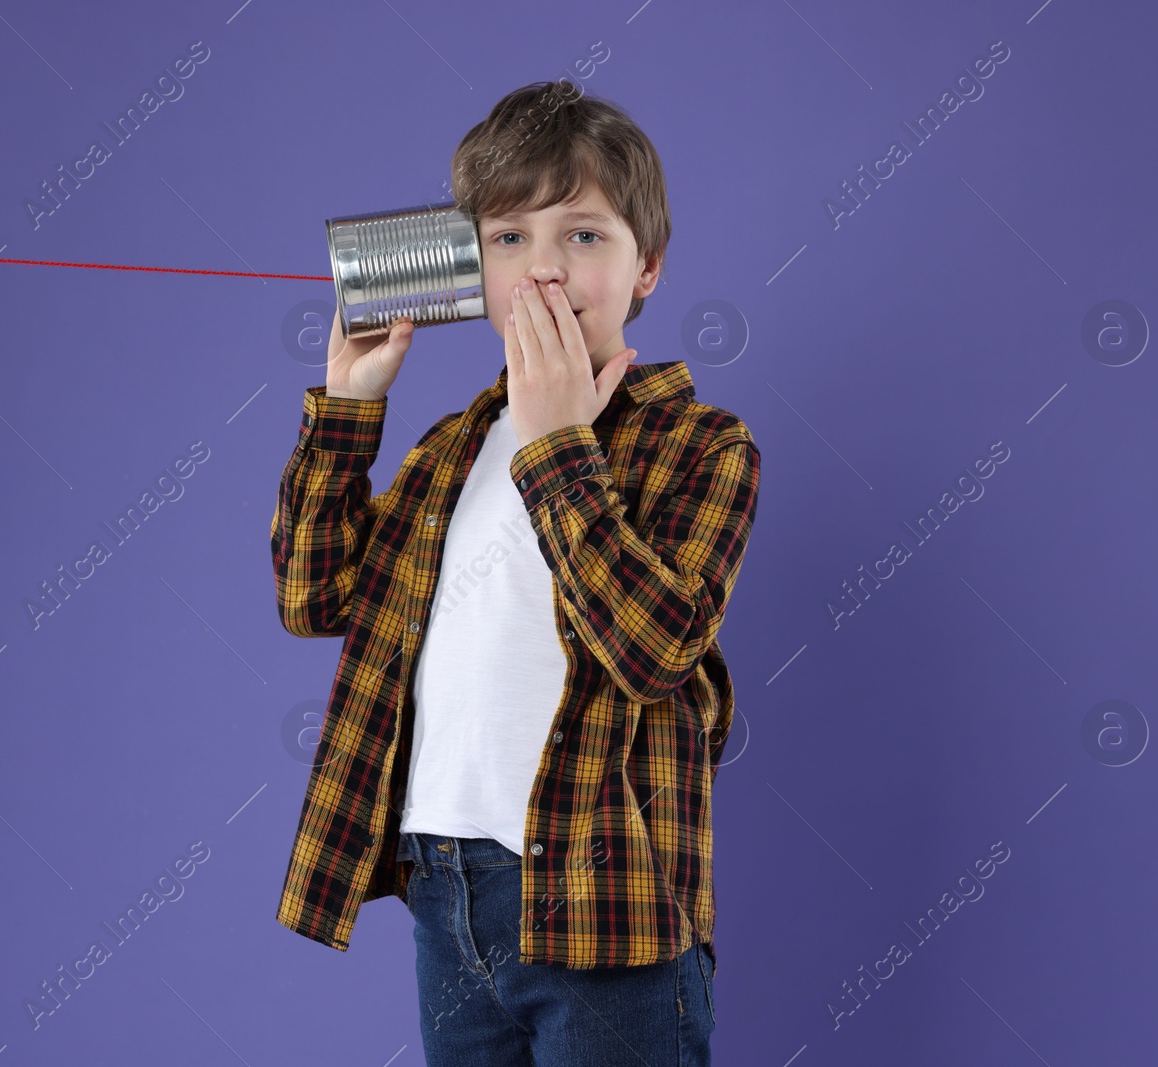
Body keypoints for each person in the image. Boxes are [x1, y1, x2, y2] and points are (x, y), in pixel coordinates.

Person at [271, 79, 760, 1066]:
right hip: (445, 888)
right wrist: (348, 406)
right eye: (507, 239)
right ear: (469, 271)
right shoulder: (450, 448)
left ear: (648, 266)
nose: (541, 268)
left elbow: (655, 645)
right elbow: (312, 596)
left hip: (603, 901)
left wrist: (557, 443)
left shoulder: (700, 445)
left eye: (582, 235)